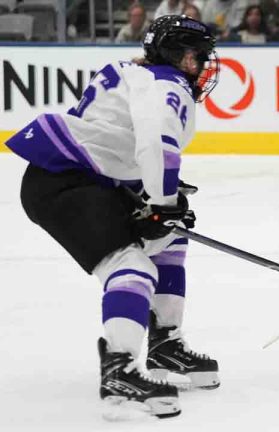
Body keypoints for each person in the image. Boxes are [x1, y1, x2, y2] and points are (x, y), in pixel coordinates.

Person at [5, 15, 221, 419]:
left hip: (74, 176)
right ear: (177, 55)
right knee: (131, 265)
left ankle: (165, 344)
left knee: (170, 237)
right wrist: (160, 200)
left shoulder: (132, 72)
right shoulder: (168, 84)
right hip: (66, 183)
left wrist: (162, 200)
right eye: (198, 56)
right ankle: (119, 369)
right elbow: (157, 142)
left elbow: (113, 140)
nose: (204, 65)